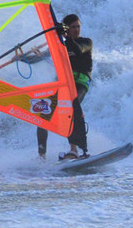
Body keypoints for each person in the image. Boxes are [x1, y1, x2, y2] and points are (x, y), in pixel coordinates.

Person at [36, 13, 92, 160]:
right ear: (67, 29)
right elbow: (38, 58)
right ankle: (41, 157)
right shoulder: (60, 46)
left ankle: (75, 150)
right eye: (73, 27)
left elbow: (79, 49)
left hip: (79, 83)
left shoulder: (86, 42)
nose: (76, 29)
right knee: (43, 115)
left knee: (71, 106)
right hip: (63, 84)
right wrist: (21, 58)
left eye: (78, 26)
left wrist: (66, 37)